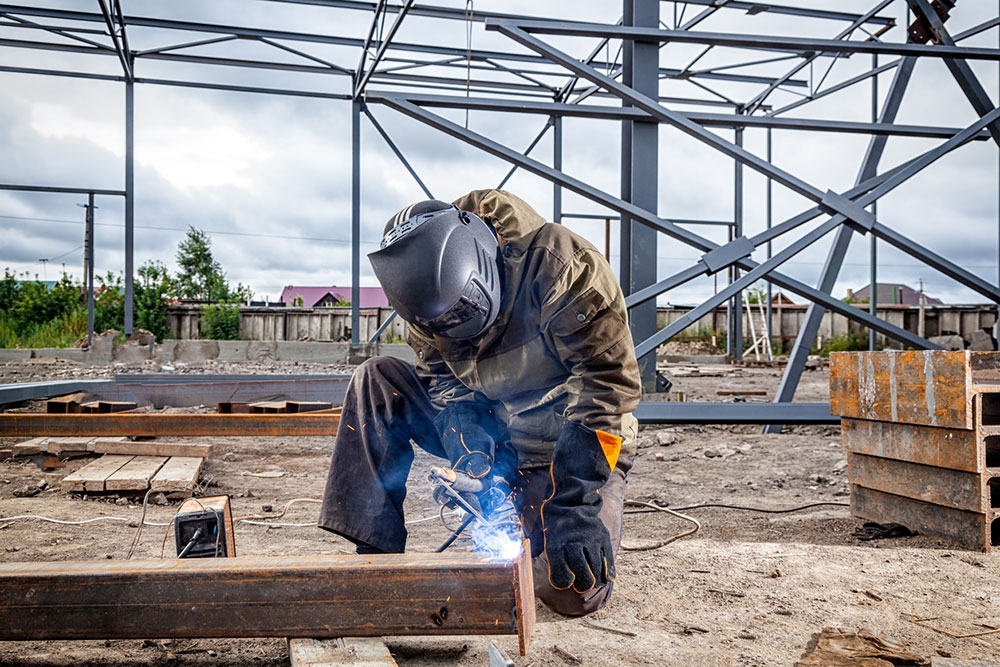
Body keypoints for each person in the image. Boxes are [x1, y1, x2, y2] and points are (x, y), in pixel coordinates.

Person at [319, 189, 640, 616]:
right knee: (377, 380)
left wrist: (574, 503)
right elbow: (446, 385)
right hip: (499, 433)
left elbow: (608, 383)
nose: (455, 330)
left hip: (564, 443)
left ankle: (546, 509)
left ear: (482, 261)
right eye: (440, 324)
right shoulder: (424, 305)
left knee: (572, 588)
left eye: (461, 313)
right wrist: (474, 456)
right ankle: (376, 560)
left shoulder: (561, 264)